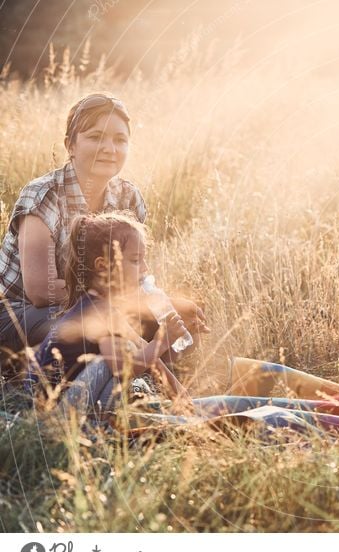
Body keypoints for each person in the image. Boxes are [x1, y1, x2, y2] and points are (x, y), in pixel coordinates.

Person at [0, 93, 206, 355]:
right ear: (70, 145)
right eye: (96, 137)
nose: (110, 149)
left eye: (120, 140)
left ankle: (146, 386)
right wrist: (123, 303)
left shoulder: (127, 196)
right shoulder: (44, 195)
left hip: (97, 305)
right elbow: (42, 290)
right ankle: (44, 380)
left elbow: (137, 276)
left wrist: (164, 304)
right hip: (21, 312)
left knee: (178, 323)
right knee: (92, 326)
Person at [28, 212, 192, 414]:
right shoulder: (97, 309)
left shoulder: (108, 308)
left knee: (136, 356)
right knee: (113, 364)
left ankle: (140, 415)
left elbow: (153, 361)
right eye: (135, 260)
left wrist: (185, 400)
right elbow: (122, 369)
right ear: (103, 266)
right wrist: (163, 341)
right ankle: (107, 427)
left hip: (74, 403)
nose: (145, 268)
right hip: (52, 416)